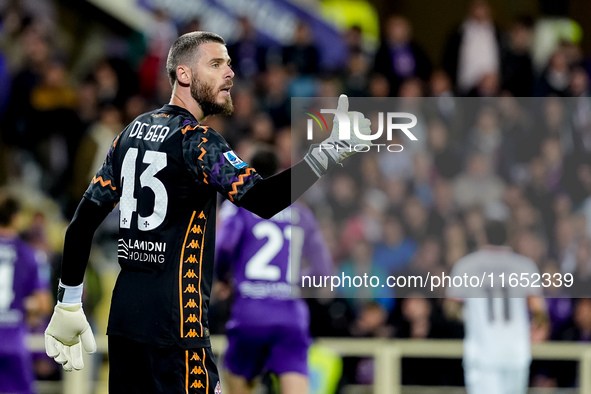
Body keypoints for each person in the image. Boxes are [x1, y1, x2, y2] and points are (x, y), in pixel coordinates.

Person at [43, 31, 372, 393]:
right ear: (183, 75)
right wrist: (323, 155)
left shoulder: (130, 133)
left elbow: (81, 222)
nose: (229, 73)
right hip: (177, 327)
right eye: (216, 64)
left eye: (229, 64)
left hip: (125, 326)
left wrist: (69, 302)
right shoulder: (196, 142)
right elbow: (262, 200)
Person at [215, 148, 332, 394]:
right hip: (290, 315)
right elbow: (323, 272)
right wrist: (290, 281)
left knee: (237, 382)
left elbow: (224, 245)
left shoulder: (239, 207)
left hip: (250, 312)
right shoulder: (302, 214)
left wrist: (222, 277)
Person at [447, 220, 548, 394]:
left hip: (483, 354)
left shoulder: (466, 266)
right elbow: (539, 310)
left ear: (483, 236)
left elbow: (451, 308)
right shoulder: (524, 266)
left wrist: (469, 316)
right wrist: (537, 331)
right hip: (516, 353)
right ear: (507, 237)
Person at [0, 192, 52, 394]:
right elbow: (43, 304)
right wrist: (26, 311)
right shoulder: (28, 254)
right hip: (13, 342)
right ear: (16, 218)